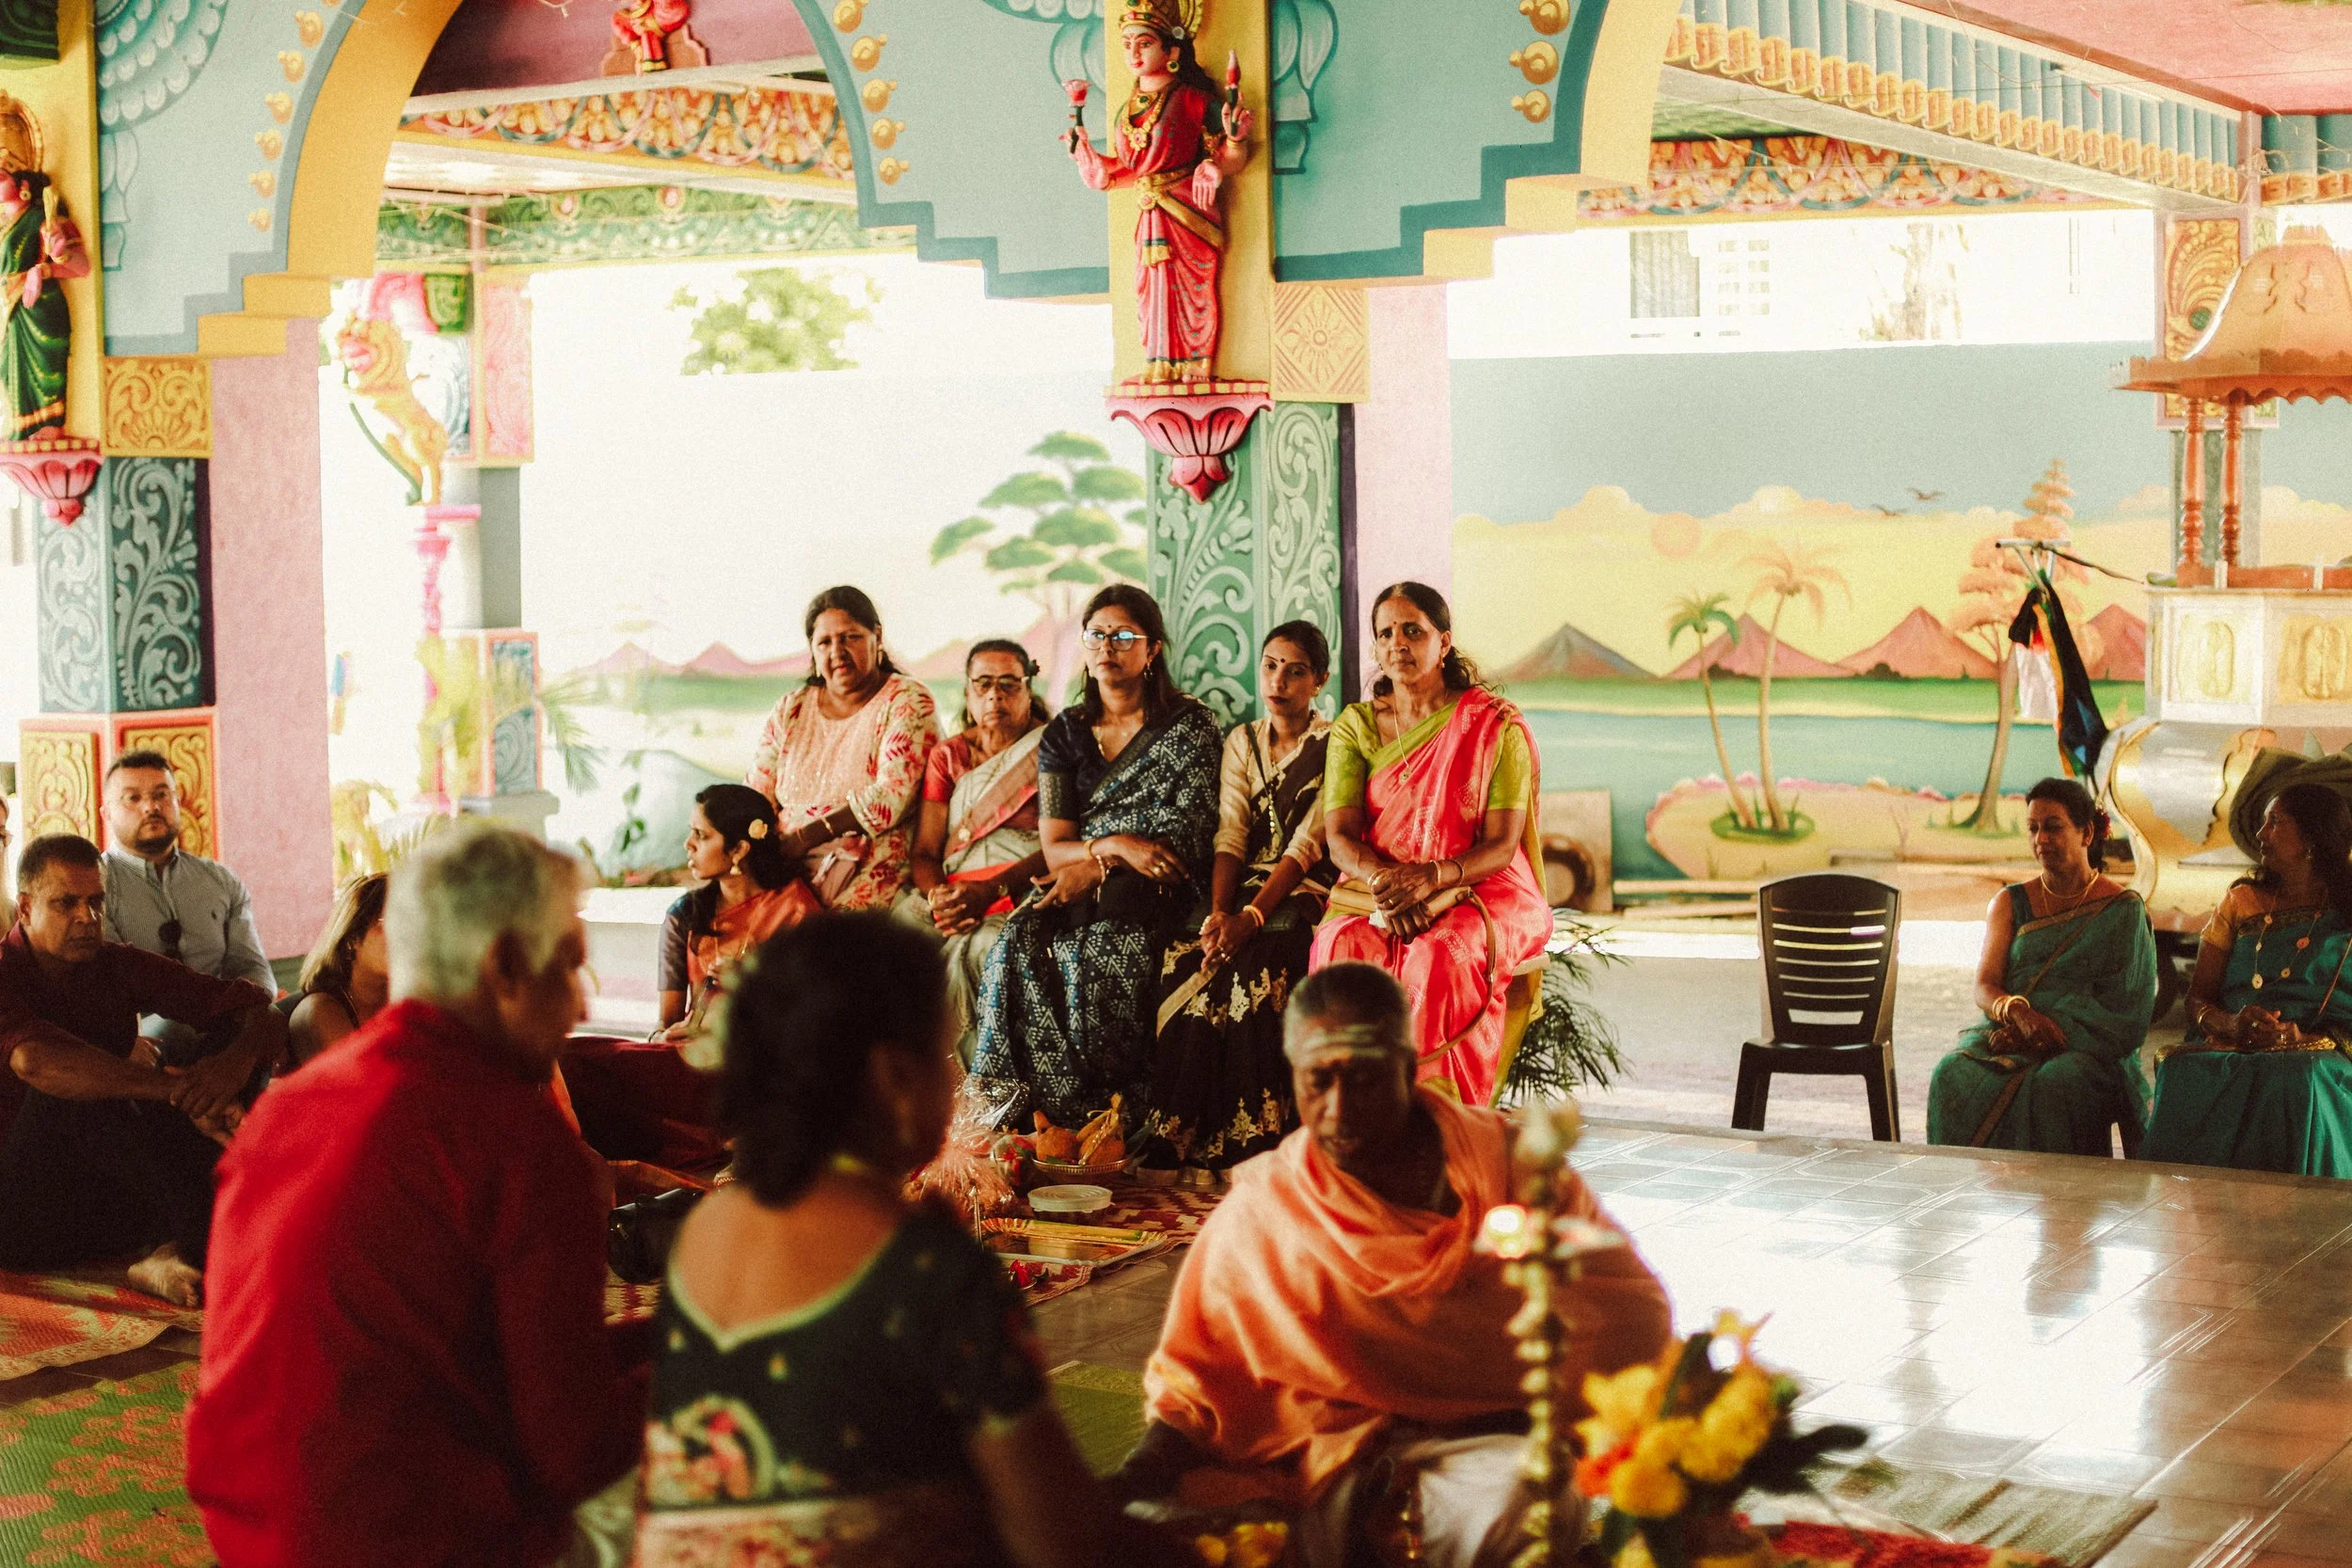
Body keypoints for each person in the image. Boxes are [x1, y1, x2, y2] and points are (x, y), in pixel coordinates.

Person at [189, 822, 645, 1568]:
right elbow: (575, 1450)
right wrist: (715, 1369)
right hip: (414, 1545)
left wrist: (674, 1334)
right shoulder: (516, 1138)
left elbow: (458, 1357)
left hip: (250, 1536)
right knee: (752, 1461)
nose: (580, 1007)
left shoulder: (292, 1103)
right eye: (568, 967)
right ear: (504, 965)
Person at [637, 911, 1151, 1568]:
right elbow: (1061, 1539)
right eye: (943, 1054)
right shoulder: (930, 1267)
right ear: (894, 1078)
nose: (954, 1076)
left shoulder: (705, 1229)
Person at [1119, 963, 1671, 1568]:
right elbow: (1194, 1383)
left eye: (1364, 1080)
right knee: (1188, 1531)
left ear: (1409, 1071)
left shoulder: (1514, 1167)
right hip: (1316, 1457)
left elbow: (1628, 1312)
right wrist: (1134, 1479)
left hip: (1485, 1444)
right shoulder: (1267, 1206)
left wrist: (1462, 1417)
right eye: (1317, 1082)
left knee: (1525, 1499)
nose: (1338, 1109)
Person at [969, 586, 1220, 1130]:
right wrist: (1108, 848)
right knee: (1015, 941)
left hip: (1158, 889)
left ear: (1152, 650)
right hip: (1086, 876)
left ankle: (1104, 1120)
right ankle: (1020, 1118)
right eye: (1097, 635)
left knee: (1099, 954)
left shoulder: (1190, 727)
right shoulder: (1066, 732)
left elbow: (1183, 839)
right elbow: (1055, 843)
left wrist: (1101, 865)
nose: (1108, 646)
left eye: (1123, 636)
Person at [0, 834, 283, 1306]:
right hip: (20, 1216)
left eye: (95, 902)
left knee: (228, 1048)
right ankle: (200, 1240)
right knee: (71, 1090)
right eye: (66, 903)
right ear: (25, 910)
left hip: (108, 1200)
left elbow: (260, 1008)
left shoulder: (115, 963)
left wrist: (222, 1075)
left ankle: (173, 1247)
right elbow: (36, 1061)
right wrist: (173, 1092)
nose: (86, 918)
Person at [1311, 583, 1550, 1106]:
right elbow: (1341, 838)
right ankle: (1353, 1123)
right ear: (1375, 649)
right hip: (1378, 886)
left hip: (1481, 883)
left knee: (1440, 958)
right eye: (1385, 633)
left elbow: (1501, 846)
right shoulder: (1357, 728)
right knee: (1339, 950)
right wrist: (1385, 884)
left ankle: (1437, 1127)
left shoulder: (1493, 726)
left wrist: (1432, 879)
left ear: (1443, 643)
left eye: (1412, 630)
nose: (1398, 643)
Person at [1142, 621, 1334, 1176]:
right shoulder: (1242, 741)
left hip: (1304, 888)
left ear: (1319, 680)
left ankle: (1253, 1145)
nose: (1279, 681)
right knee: (1185, 959)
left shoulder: (1333, 744)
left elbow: (1305, 846)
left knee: (1255, 965)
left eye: (1296, 671)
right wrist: (1220, 914)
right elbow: (1230, 832)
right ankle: (1179, 1138)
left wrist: (1249, 920)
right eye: (1271, 666)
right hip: (1242, 885)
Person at [1926, 779, 2158, 1154]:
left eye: (2053, 827)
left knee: (2057, 1083)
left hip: (2089, 1045)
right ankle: (1972, 1192)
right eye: (2033, 829)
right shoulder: (2009, 902)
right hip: (2010, 1030)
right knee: (1952, 1073)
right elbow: (1985, 985)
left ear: (2087, 833)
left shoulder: (2123, 910)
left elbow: (2126, 1012)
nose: (2041, 840)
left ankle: (2066, 1200)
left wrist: (2043, 1032)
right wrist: (2019, 1014)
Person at [2141, 782, 2352, 1177]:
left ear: (2311, 837)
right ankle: (2194, 1208)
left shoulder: (2347, 909)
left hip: (2325, 1051)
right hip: (2235, 1041)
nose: (2260, 834)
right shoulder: (2242, 901)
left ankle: (2300, 1211)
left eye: (2275, 822)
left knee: (2296, 1077)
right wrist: (2230, 1024)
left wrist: (2305, 1038)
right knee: (2184, 1069)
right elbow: (2198, 997)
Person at [1065, 0, 1252, 384]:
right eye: (1126, 43)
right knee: (1153, 292)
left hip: (1187, 212)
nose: (1132, 53)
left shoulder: (1191, 99)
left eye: (1144, 43)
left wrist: (1224, 154)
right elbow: (1127, 170)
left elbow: (1232, 154)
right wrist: (1091, 163)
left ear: (1171, 52)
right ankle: (1159, 363)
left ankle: (1195, 364)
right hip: (1150, 215)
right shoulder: (1127, 107)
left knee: (1189, 291)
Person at [900, 640, 1051, 1064]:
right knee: (888, 950)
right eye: (982, 684)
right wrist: (939, 899)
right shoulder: (949, 757)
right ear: (967, 693)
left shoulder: (1050, 749)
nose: (994, 696)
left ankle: (975, 1096)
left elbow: (1058, 848)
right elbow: (927, 853)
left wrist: (990, 891)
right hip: (951, 893)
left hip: (1021, 890)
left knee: (974, 951)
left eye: (1008, 684)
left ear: (1028, 689)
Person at [745, 586, 941, 913]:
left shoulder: (907, 700)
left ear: (876, 637)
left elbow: (890, 798)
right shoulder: (790, 710)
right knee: (689, 917)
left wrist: (806, 838)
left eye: (850, 637)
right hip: (786, 867)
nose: (837, 650)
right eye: (825, 642)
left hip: (866, 870)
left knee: (808, 942)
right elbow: (756, 795)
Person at [98, 750, 274, 992]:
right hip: (140, 1023)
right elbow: (109, 984)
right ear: (106, 813)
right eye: (133, 798)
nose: (151, 807)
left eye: (161, 795)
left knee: (307, 1008)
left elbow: (251, 967)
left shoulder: (220, 881)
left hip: (225, 1017)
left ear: (178, 802)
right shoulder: (94, 885)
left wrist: (251, 1007)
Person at [657, 784, 813, 1045]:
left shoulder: (795, 909)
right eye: (690, 833)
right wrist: (663, 1037)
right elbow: (666, 1023)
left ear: (739, 850)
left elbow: (812, 1017)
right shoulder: (684, 915)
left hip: (765, 1059)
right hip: (691, 1055)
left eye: (701, 835)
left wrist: (754, 983)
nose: (688, 845)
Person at [284, 873, 390, 1068]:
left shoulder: (407, 999)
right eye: (385, 923)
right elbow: (361, 1086)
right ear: (352, 939)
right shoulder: (320, 1010)